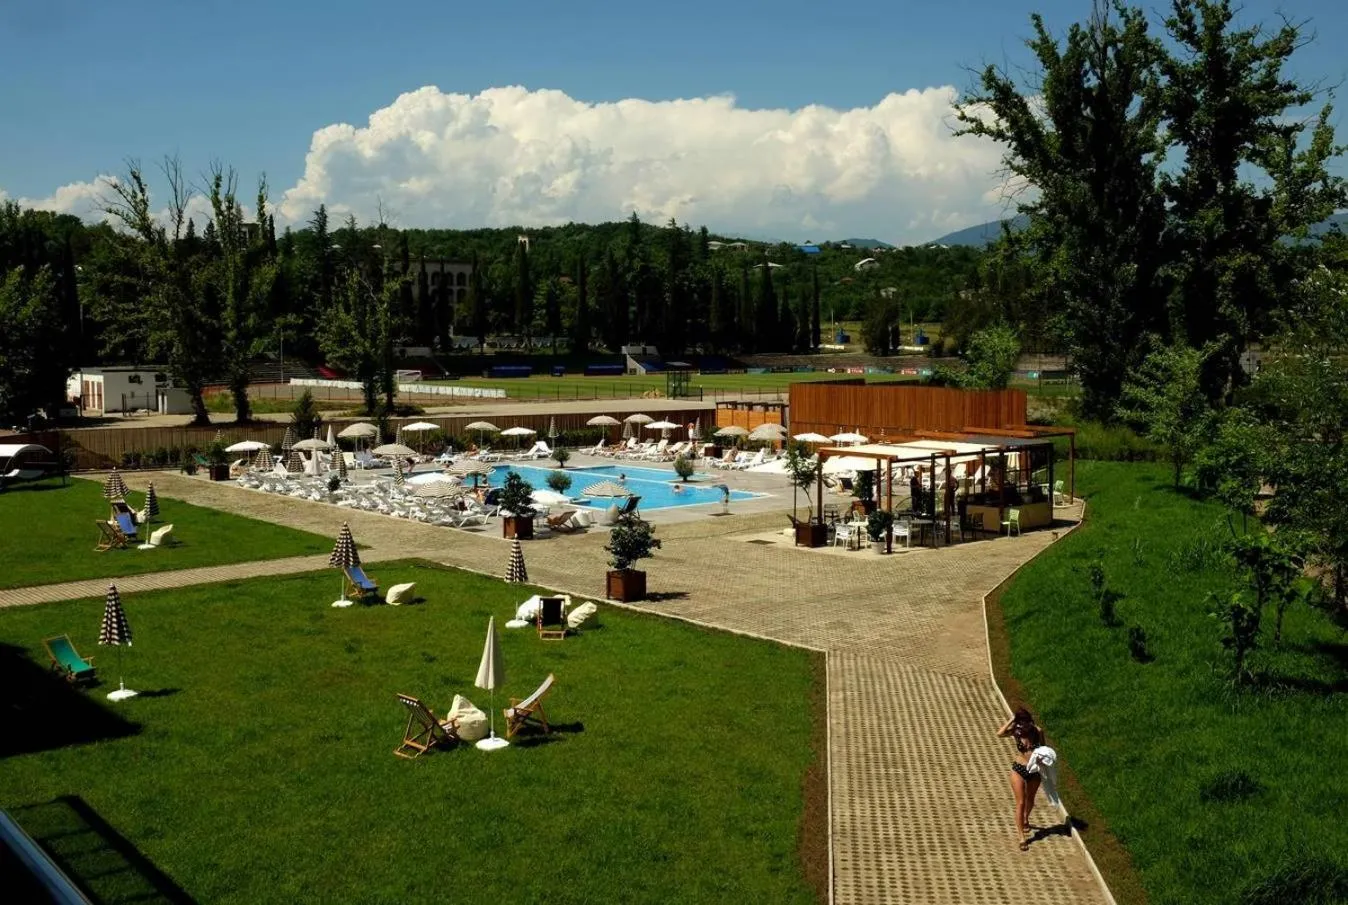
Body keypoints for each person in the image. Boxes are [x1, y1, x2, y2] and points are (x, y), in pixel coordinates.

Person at [998, 707, 1045, 851]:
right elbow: (999, 733)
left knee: (1030, 799)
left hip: (1034, 770)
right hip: (1018, 769)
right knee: (1021, 802)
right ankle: (1021, 837)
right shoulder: (1016, 732)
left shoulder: (1037, 731)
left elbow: (1044, 748)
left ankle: (1025, 819)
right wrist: (1012, 720)